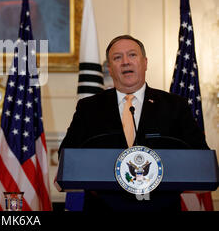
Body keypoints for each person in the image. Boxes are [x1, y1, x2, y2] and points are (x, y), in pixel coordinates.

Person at [59, 35, 209, 211]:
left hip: (161, 207)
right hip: (103, 207)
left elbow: (200, 156)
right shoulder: (89, 107)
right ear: (110, 68)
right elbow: (67, 155)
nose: (125, 62)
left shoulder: (175, 106)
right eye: (117, 57)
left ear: (145, 63)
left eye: (132, 55)